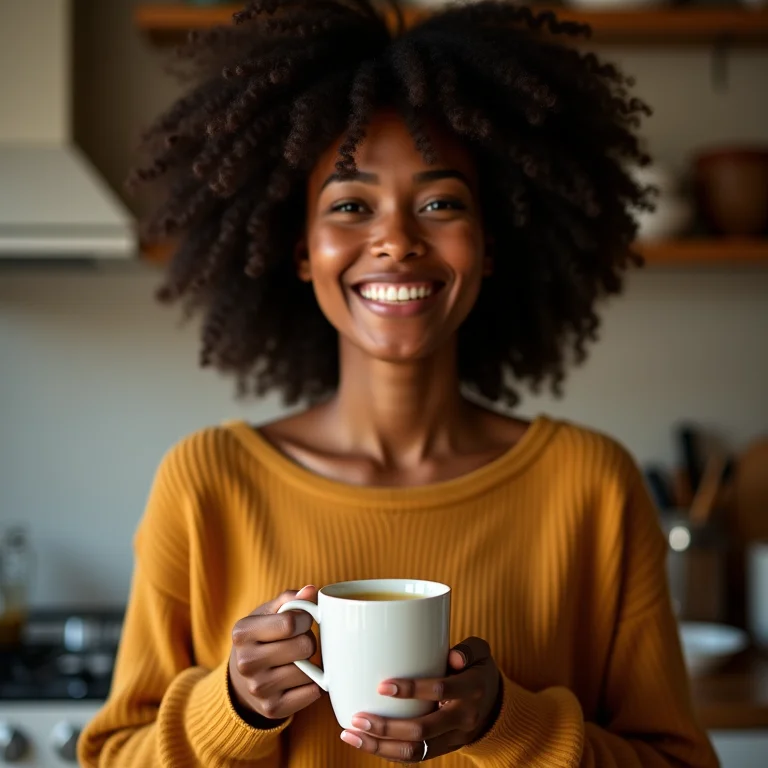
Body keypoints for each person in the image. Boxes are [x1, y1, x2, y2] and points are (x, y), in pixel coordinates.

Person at [79, 1, 719, 766]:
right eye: (351, 206)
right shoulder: (204, 484)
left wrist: (509, 724)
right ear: (301, 251)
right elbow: (112, 755)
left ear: (488, 245)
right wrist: (234, 706)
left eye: (440, 203)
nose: (396, 240)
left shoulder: (593, 487)